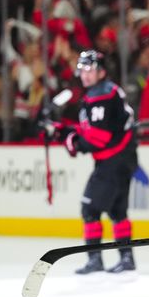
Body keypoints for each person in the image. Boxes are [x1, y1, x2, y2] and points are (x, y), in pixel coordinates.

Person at [45, 50, 139, 275]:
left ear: (101, 71)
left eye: (90, 69)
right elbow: (95, 131)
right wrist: (66, 132)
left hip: (112, 162)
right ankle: (127, 258)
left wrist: (71, 141)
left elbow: (97, 139)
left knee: (90, 208)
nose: (85, 74)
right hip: (122, 159)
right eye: (82, 69)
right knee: (117, 211)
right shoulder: (106, 91)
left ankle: (95, 260)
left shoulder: (100, 96)